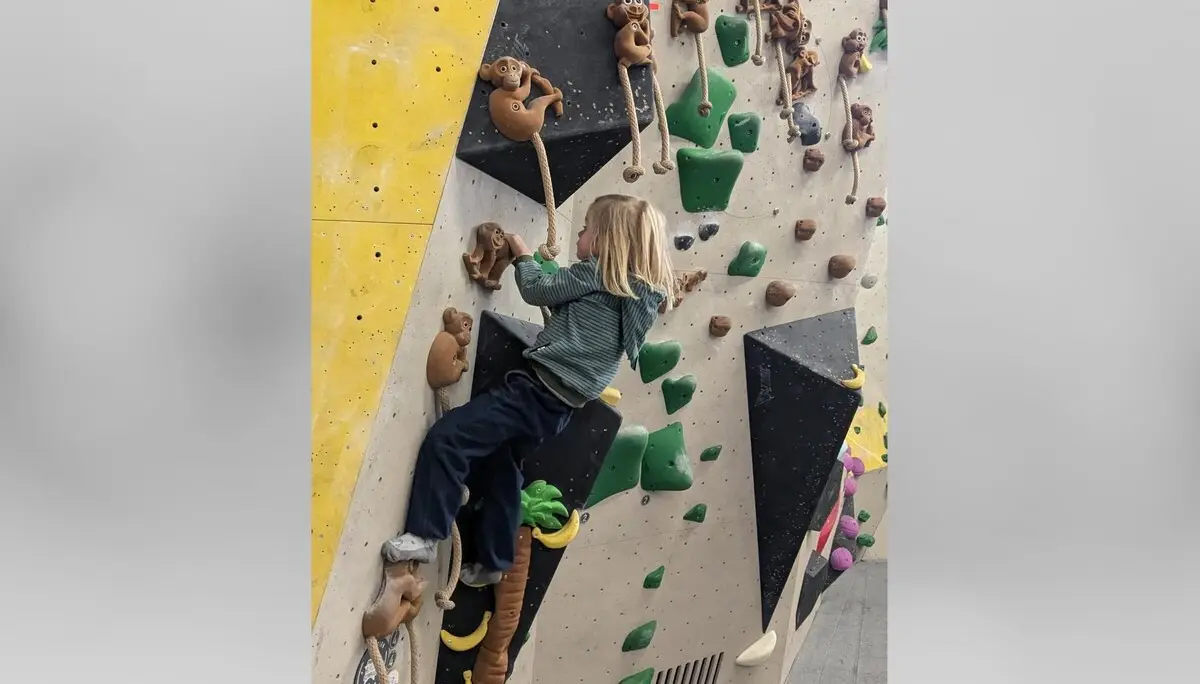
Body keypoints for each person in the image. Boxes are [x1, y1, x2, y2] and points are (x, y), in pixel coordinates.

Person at [382, 194, 677, 586]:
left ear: (607, 240)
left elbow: (538, 291)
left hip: (535, 392)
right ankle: (494, 560)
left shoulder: (596, 272)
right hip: (559, 409)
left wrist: (522, 253)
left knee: (448, 439)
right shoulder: (631, 295)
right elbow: (576, 315)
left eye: (587, 228)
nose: (580, 235)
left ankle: (424, 535)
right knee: (501, 469)